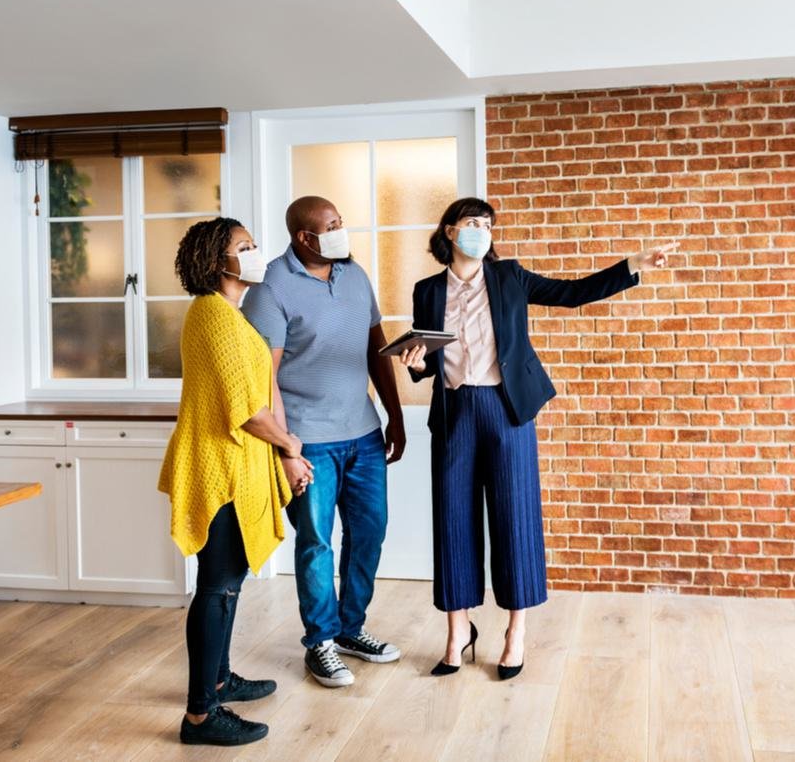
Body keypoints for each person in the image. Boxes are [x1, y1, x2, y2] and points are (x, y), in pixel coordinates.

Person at [401, 197, 671, 680]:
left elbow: (573, 292)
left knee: (514, 519)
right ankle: (458, 631)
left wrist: (633, 264)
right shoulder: (427, 291)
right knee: (453, 521)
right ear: (448, 232)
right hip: (454, 413)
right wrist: (418, 364)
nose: (481, 231)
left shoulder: (509, 278)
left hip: (508, 411)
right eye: (471, 223)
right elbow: (425, 366)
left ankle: (515, 632)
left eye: (487, 224)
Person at [158, 217, 313, 746]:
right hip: (218, 471)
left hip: (239, 467)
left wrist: (284, 454)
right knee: (218, 587)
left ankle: (219, 679)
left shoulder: (233, 316)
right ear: (215, 260)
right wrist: (291, 447)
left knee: (228, 583)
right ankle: (200, 715)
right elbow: (244, 410)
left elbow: (261, 393)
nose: (253, 254)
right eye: (242, 247)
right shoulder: (211, 316)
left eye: (253, 245)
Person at [242, 196, 406, 689]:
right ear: (304, 238)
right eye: (332, 225)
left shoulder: (353, 275)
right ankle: (320, 642)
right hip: (309, 441)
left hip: (363, 433)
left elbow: (377, 348)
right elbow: (262, 379)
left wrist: (395, 416)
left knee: (369, 531)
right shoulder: (270, 288)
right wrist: (287, 449)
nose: (342, 231)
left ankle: (351, 629)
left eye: (342, 222)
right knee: (315, 541)